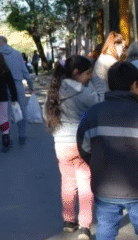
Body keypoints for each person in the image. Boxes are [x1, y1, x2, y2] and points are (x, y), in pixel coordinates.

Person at [77, 62, 138, 240]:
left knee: (105, 229)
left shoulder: (92, 113)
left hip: (104, 187)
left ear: (109, 85)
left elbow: (84, 147)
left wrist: (97, 165)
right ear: (135, 85)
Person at [45, 55, 101, 239]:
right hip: (82, 143)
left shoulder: (54, 90)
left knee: (68, 182)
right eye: (88, 73)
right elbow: (98, 105)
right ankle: (85, 226)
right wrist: (94, 85)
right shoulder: (85, 92)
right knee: (85, 183)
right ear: (77, 73)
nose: (90, 77)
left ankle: (69, 221)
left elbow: (46, 114)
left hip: (61, 144)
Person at [0, 36, 34, 145]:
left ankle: (8, 137)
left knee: (5, 114)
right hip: (17, 86)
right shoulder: (17, 54)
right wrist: (31, 85)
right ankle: (22, 135)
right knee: (20, 110)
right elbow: (25, 71)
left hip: (3, 87)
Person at [90, 31, 126, 98]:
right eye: (123, 47)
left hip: (101, 94)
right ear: (115, 45)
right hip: (106, 96)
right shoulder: (111, 61)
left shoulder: (104, 57)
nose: (123, 51)